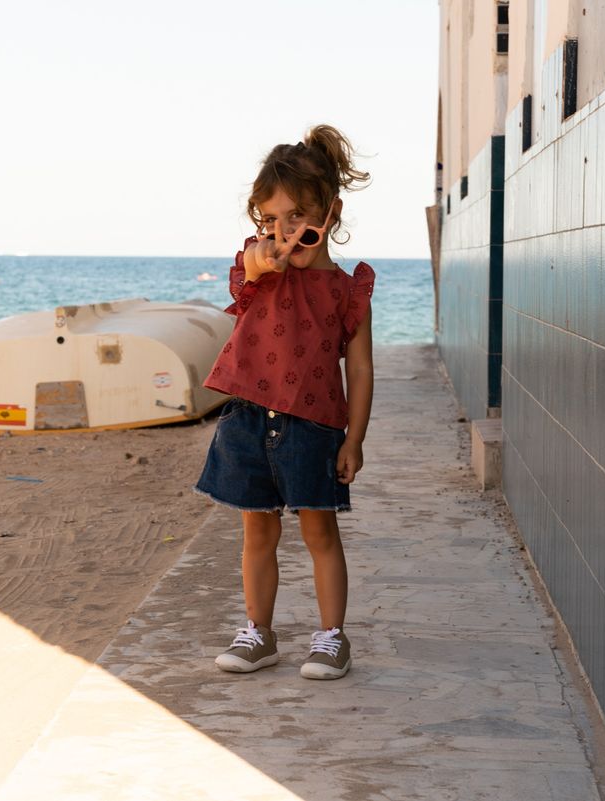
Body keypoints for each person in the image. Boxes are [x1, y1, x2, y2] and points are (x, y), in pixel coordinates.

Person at [195, 124, 374, 680]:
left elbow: (362, 367)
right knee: (257, 533)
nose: (284, 231)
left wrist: (355, 438)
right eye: (271, 219)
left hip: (313, 426)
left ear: (330, 214)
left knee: (320, 534)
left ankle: (331, 637)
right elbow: (250, 265)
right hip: (248, 420)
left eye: (298, 218)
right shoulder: (258, 271)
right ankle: (259, 634)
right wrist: (263, 258)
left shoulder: (348, 292)